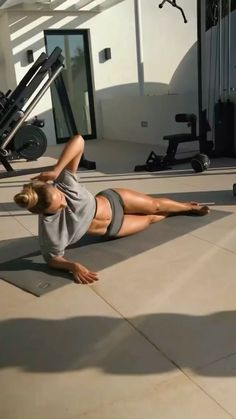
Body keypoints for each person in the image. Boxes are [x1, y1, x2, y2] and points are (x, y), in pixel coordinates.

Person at [14, 134, 210, 284]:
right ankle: (174, 212)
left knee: (154, 204)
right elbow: (52, 259)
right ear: (44, 213)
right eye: (60, 207)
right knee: (150, 218)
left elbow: (79, 140)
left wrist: (57, 169)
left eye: (62, 198)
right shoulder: (50, 233)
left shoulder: (63, 182)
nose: (65, 204)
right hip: (114, 228)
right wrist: (73, 266)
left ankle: (187, 207)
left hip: (114, 199)